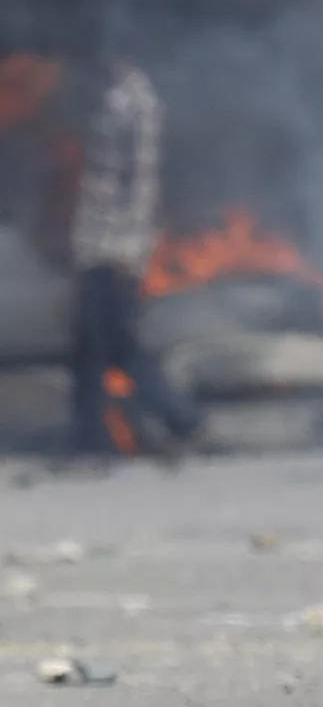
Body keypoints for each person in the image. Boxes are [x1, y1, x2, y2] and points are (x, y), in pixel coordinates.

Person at [56, 27, 203, 459]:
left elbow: (141, 184)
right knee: (106, 344)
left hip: (113, 248)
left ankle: (94, 441)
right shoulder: (116, 98)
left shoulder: (137, 103)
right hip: (97, 243)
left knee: (99, 345)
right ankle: (175, 419)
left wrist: (130, 250)